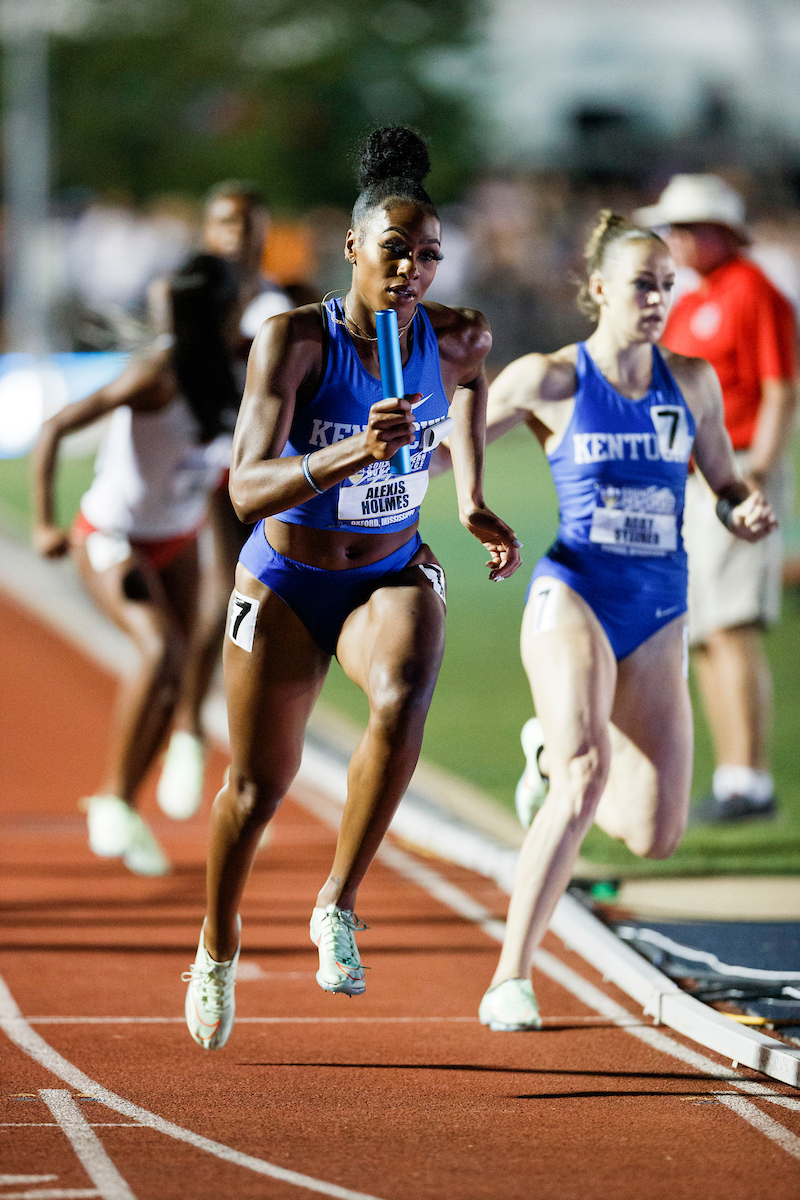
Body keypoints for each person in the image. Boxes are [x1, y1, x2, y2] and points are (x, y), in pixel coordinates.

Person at [183, 125, 521, 1050]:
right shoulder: (293, 341)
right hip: (288, 576)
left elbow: (476, 393)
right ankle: (217, 944)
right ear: (351, 247)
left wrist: (475, 499)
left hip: (387, 566)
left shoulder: (459, 337)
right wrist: (346, 452)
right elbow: (246, 490)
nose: (415, 268)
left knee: (406, 685)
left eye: (431, 256)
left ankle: (337, 900)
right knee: (258, 787)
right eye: (397, 251)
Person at [475, 211, 776, 1032]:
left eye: (668, 286)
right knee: (581, 778)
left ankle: (545, 747)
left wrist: (745, 509)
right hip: (576, 589)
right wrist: (409, 457)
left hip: (660, 606)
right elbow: (451, 438)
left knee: (653, 833)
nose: (658, 299)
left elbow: (724, 478)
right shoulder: (552, 380)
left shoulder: (692, 382)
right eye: (643, 284)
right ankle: (511, 977)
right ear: (599, 287)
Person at [31, 253, 243, 876]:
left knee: (176, 675)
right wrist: (45, 521)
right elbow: (54, 426)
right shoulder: (156, 375)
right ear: (221, 313)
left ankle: (121, 804)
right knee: (162, 655)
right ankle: (114, 800)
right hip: (112, 533)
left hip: (177, 537)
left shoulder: (236, 372)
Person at [635, 175, 797, 822]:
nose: (677, 239)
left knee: (730, 622)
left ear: (721, 232)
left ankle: (749, 776)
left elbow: (780, 387)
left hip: (738, 469)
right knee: (704, 625)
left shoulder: (751, 290)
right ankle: (733, 773)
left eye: (688, 227)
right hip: (695, 474)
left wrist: (758, 467)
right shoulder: (697, 295)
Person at [154, 183, 295, 820]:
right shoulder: (182, 292)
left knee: (274, 603)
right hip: (214, 455)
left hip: (278, 458)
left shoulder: (280, 297)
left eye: (248, 221)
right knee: (230, 586)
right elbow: (185, 360)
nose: (237, 232)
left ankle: (250, 758)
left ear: (265, 228)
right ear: (207, 228)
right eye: (224, 221)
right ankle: (189, 730)